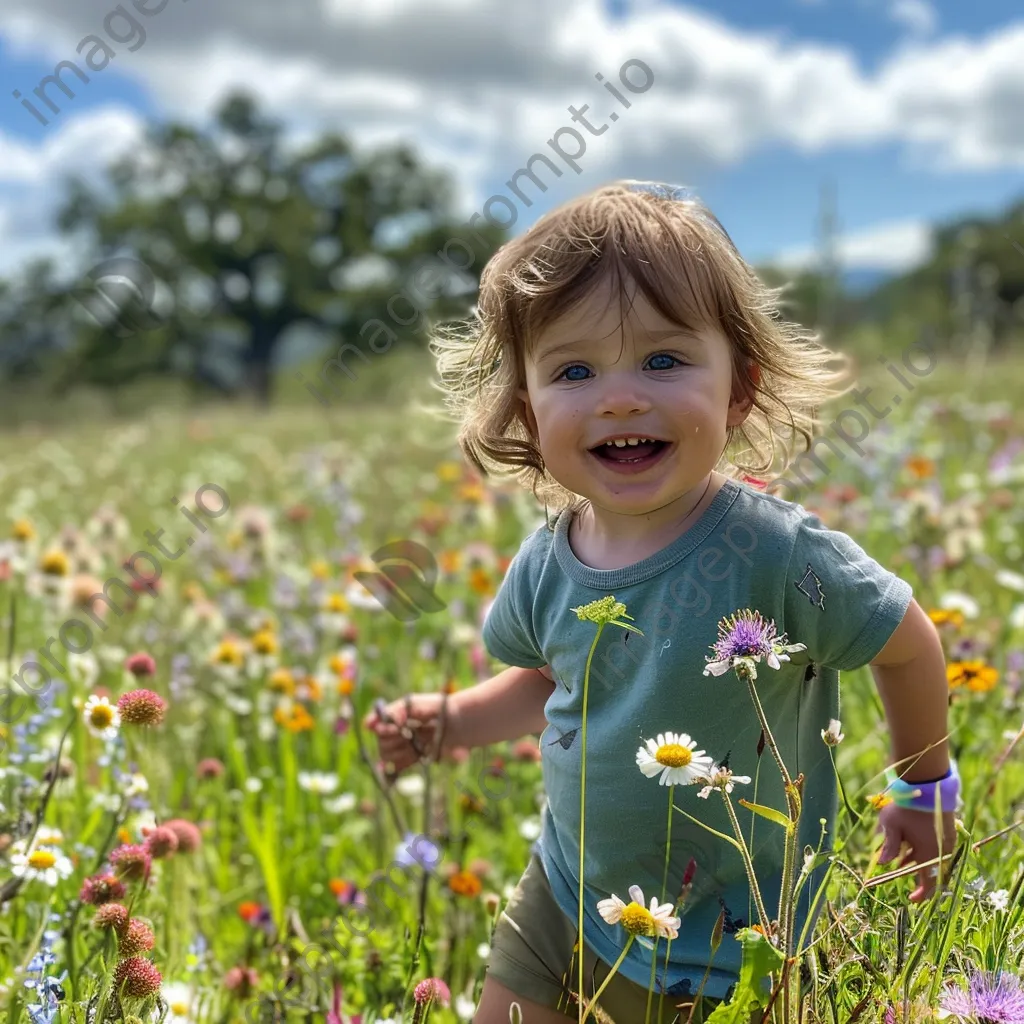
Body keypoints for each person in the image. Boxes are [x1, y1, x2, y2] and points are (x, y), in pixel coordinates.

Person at [364, 181, 958, 1024]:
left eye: (663, 360)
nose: (619, 396)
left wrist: (924, 789)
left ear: (739, 389)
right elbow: (554, 684)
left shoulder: (777, 553)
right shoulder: (547, 561)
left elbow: (908, 644)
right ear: (530, 415)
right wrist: (450, 721)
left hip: (731, 931)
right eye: (574, 370)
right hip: (569, 885)